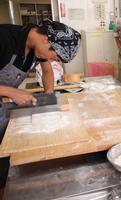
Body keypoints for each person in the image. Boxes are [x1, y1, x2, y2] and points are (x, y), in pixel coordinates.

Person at [0, 21, 81, 187]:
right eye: (55, 56)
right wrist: (12, 92)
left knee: (8, 153)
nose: (52, 60)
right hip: (7, 97)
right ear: (47, 40)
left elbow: (47, 71)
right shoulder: (4, 38)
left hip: (4, 103)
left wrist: (49, 96)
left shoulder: (37, 47)